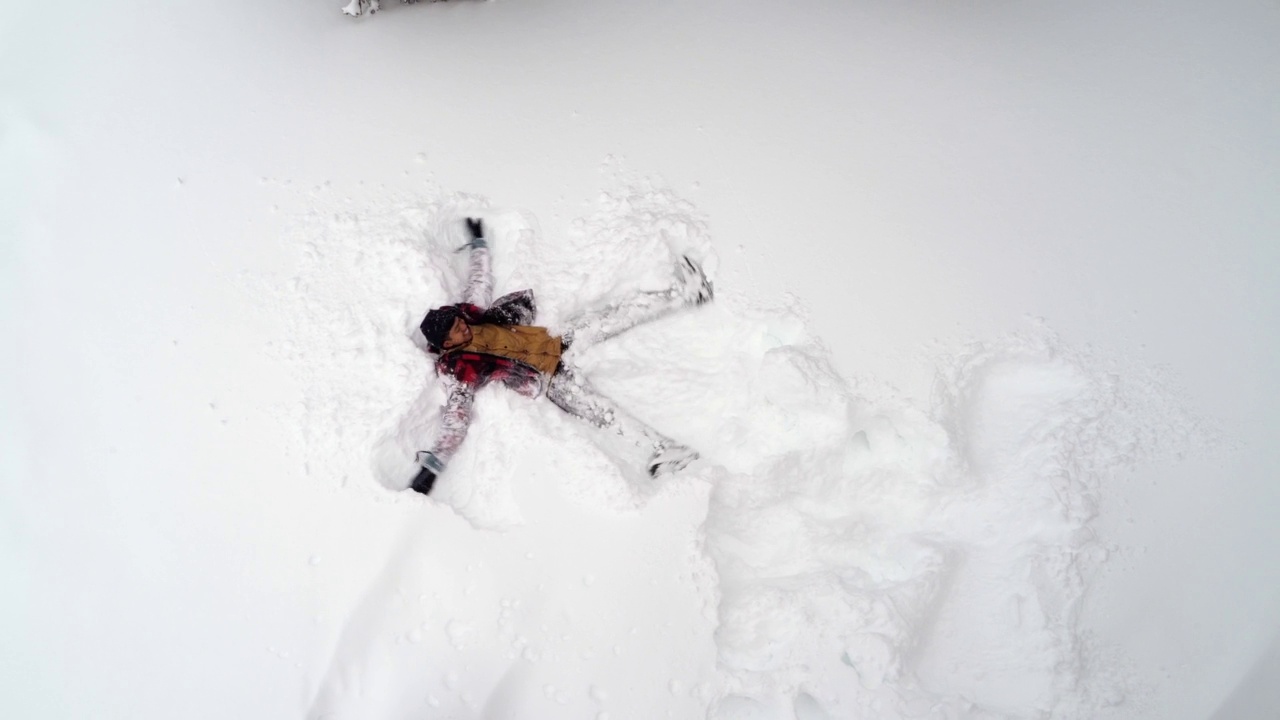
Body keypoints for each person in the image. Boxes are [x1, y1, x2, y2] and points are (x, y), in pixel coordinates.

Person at [409, 217, 712, 495]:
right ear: (446, 344)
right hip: (548, 375)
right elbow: (456, 420)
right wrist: (433, 467)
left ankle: (685, 294)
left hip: (554, 340)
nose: (463, 327)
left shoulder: (469, 314)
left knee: (613, 315)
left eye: (459, 322)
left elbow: (479, 281)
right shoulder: (459, 370)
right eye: (456, 331)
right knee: (601, 412)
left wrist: (478, 244)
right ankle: (664, 450)